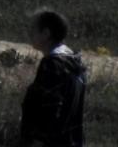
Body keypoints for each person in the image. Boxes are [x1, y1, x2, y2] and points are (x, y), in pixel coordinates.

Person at [21, 10, 86, 147]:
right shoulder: (75, 61)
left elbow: (50, 108)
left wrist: (39, 140)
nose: (29, 34)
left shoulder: (52, 64)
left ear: (46, 34)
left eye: (33, 30)